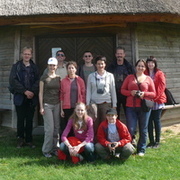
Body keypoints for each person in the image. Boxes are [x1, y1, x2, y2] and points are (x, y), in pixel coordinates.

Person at [121, 59, 156, 156]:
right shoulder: (129, 77)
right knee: (130, 128)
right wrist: (130, 93)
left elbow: (153, 94)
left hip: (144, 107)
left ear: (145, 68)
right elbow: (122, 90)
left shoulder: (148, 79)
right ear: (135, 67)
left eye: (142, 66)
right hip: (130, 107)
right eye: (139, 66)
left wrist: (144, 94)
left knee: (143, 129)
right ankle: (130, 146)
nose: (140, 68)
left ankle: (141, 149)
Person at [9, 47, 39, 148]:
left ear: (31, 55)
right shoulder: (16, 66)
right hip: (20, 97)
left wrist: (31, 92)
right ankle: (20, 139)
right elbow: (13, 81)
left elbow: (38, 80)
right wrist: (24, 91)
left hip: (31, 97)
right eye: (25, 54)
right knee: (20, 119)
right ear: (22, 54)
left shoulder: (34, 67)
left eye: (28, 54)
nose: (27, 56)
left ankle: (29, 140)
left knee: (30, 119)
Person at [86, 56, 117, 135]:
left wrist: (114, 104)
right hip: (94, 103)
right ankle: (95, 141)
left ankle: (104, 140)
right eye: (98, 64)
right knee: (94, 123)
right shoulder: (91, 76)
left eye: (102, 64)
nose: (100, 66)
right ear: (95, 65)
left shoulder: (110, 76)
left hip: (106, 102)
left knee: (105, 123)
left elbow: (113, 90)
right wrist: (87, 103)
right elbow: (88, 90)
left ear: (105, 64)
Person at [39, 57, 61, 157]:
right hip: (47, 105)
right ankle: (46, 150)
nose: (52, 67)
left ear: (56, 67)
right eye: (50, 65)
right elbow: (40, 93)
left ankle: (55, 148)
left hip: (57, 104)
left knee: (56, 128)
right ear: (48, 66)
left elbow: (61, 92)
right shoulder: (43, 77)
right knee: (49, 129)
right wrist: (41, 107)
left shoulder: (58, 78)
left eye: (54, 65)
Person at [145, 57, 166, 148]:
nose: (150, 64)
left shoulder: (159, 73)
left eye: (152, 63)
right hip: (148, 101)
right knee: (149, 121)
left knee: (156, 120)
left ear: (155, 64)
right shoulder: (145, 73)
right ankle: (151, 141)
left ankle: (157, 141)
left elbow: (162, 87)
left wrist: (155, 97)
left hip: (157, 100)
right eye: (149, 63)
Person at [107, 47, 135, 118]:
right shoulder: (111, 67)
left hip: (126, 94)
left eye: (121, 54)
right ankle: (116, 128)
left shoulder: (129, 66)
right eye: (118, 53)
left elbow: (134, 78)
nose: (119, 55)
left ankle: (129, 129)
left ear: (124, 54)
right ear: (115, 55)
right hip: (115, 94)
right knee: (115, 114)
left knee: (128, 113)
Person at [60, 61, 86, 133]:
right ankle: (66, 141)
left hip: (77, 108)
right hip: (66, 107)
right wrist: (61, 109)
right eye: (69, 68)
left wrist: (83, 106)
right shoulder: (63, 81)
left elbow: (83, 94)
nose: (71, 70)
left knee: (76, 125)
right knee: (67, 125)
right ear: (67, 70)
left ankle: (76, 141)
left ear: (75, 69)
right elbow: (61, 96)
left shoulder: (80, 80)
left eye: (72, 68)